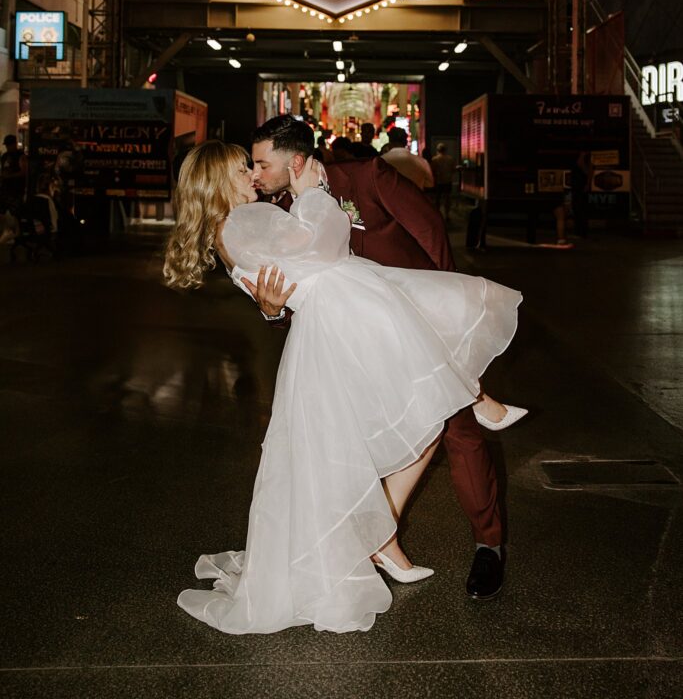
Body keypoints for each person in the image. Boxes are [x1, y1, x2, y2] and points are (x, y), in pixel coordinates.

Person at [164, 141, 523, 635]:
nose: (253, 174)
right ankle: (472, 405)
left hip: (340, 323)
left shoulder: (233, 228)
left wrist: (271, 301)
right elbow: (323, 247)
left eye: (257, 164)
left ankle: (386, 528)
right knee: (427, 405)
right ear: (220, 180)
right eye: (244, 168)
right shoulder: (246, 219)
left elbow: (284, 276)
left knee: (419, 415)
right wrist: (312, 196)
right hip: (345, 322)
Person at [250, 116, 517, 600]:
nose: (254, 174)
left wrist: (445, 317)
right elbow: (296, 292)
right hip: (354, 344)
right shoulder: (282, 211)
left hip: (421, 323)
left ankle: (488, 546)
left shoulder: (368, 177)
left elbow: (430, 231)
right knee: (361, 440)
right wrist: (272, 312)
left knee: (458, 428)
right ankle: (370, 538)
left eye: (261, 163)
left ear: (295, 160)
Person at [381, 127, 434, 191]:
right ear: (405, 142)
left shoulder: (381, 161)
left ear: (389, 141)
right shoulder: (422, 162)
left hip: (386, 200)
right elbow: (429, 184)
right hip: (414, 199)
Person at [0, 134, 28, 210]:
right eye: (7, 145)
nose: (8, 147)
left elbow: (24, 172)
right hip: (5, 189)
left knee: (15, 211)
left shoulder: (20, 155)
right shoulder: (4, 156)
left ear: (14, 144)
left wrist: (10, 176)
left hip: (16, 190)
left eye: (9, 145)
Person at [431, 142, 456, 222]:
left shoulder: (434, 159)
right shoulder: (450, 159)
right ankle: (447, 215)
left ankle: (437, 214)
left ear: (438, 150)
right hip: (448, 181)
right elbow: (453, 170)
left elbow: (433, 170)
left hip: (438, 181)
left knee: (437, 199)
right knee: (447, 198)